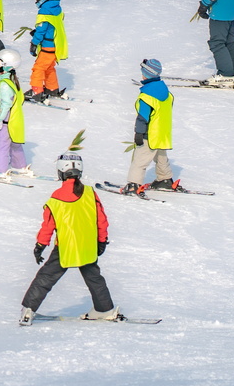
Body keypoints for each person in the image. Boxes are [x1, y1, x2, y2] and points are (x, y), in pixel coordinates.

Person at [19, 152, 117, 325]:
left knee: (46, 277)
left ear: (61, 172)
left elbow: (48, 225)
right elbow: (101, 219)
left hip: (66, 247)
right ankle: (105, 309)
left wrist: (40, 245)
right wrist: (102, 241)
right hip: (87, 245)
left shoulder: (56, 198)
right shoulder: (89, 193)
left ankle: (28, 311)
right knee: (94, 278)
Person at [118, 58, 178, 195]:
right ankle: (165, 179)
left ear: (147, 74)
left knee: (140, 160)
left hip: (149, 135)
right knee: (161, 157)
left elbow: (142, 117)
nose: (142, 75)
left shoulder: (147, 95)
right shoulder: (167, 93)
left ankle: (134, 185)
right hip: (163, 134)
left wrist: (139, 133)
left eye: (143, 73)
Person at [0, 49, 30, 179]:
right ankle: (19, 166)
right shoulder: (12, 81)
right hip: (15, 121)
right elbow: (17, 98)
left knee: (2, 145)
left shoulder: (4, 84)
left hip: (5, 122)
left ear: (6, 66)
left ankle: (0, 170)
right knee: (15, 144)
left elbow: (6, 104)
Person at [25, 0, 68, 101]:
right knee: (49, 67)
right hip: (55, 44)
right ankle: (52, 88)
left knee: (38, 68)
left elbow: (42, 28)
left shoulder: (44, 10)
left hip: (47, 45)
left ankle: (36, 91)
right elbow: (50, 25)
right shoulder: (55, 6)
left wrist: (34, 42)